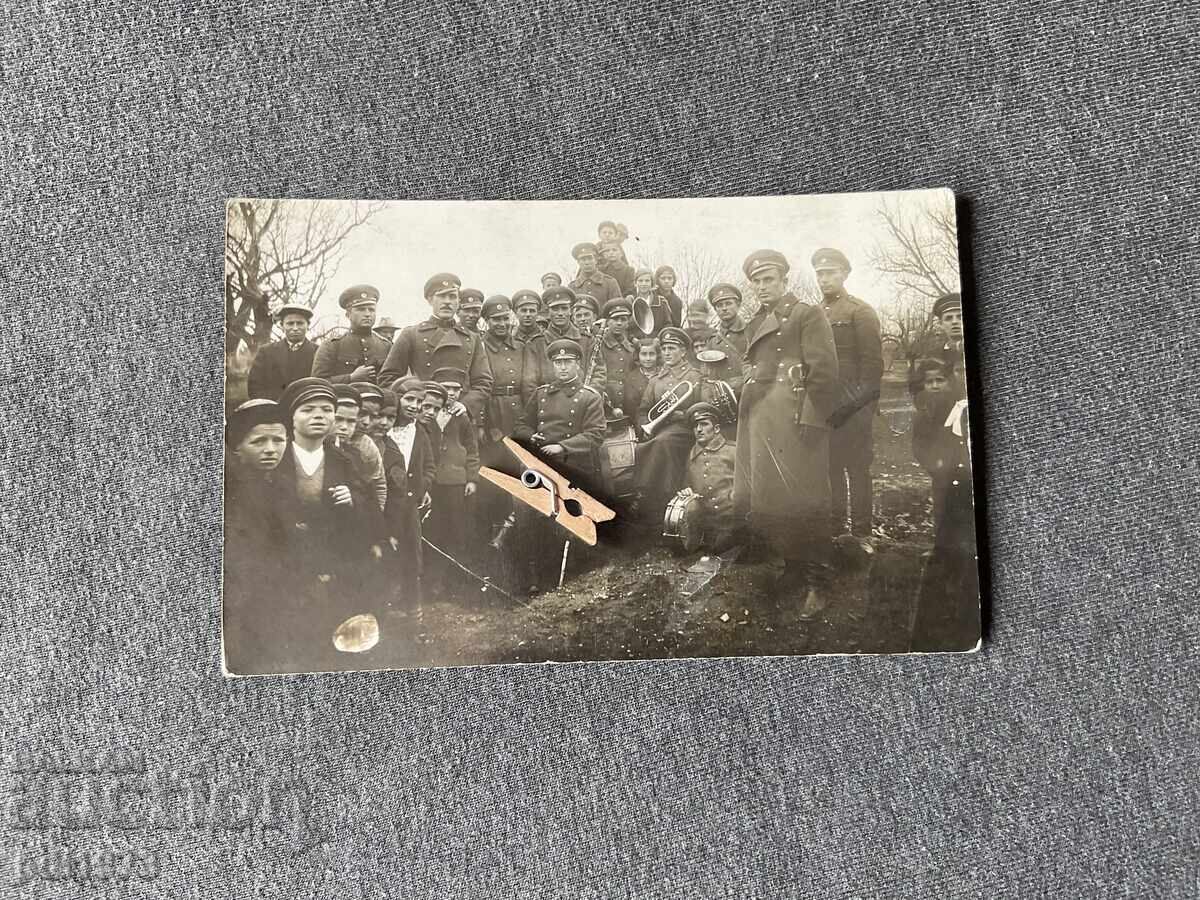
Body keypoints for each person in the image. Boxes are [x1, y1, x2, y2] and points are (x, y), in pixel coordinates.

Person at [733, 249, 839, 616]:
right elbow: (754, 369)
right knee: (775, 499)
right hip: (763, 418)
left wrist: (811, 420)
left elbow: (824, 372)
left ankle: (819, 582)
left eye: (769, 279)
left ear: (784, 281)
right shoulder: (755, 322)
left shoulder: (805, 315)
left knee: (809, 499)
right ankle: (792, 567)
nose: (762, 287)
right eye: (757, 281)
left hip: (796, 420)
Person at [271, 377, 386, 666]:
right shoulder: (275, 458)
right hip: (288, 563)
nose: (319, 416)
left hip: (336, 563)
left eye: (326, 409)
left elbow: (372, 509)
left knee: (336, 641)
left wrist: (354, 501)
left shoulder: (344, 460)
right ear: (291, 417)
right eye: (308, 410)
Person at [512, 339, 607, 593]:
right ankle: (531, 576)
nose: (563, 367)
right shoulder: (540, 394)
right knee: (524, 510)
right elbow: (521, 425)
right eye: (558, 362)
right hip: (540, 465)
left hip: (573, 464)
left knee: (562, 518)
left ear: (578, 364)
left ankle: (564, 576)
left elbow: (596, 435)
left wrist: (562, 447)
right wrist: (531, 437)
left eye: (568, 362)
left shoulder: (589, 397)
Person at [813, 247, 884, 546]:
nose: (824, 279)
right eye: (820, 273)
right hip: (824, 406)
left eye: (830, 273)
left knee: (857, 469)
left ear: (844, 274)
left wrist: (855, 407)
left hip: (855, 407)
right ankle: (836, 530)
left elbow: (873, 368)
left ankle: (863, 533)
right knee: (830, 469)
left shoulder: (860, 311)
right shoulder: (815, 313)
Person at [909, 357, 977, 650]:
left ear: (950, 381)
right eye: (929, 381)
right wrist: (934, 466)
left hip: (963, 478)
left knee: (965, 528)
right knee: (943, 523)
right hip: (942, 477)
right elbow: (919, 446)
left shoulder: (959, 407)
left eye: (940, 380)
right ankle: (947, 574)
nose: (935, 386)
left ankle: (965, 581)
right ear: (921, 385)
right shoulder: (922, 413)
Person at [222, 399, 290, 673]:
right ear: (236, 447)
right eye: (259, 441)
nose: (271, 450)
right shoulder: (231, 487)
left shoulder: (279, 483)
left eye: (278, 440)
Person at [379, 272, 494, 421]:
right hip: (421, 417)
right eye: (441, 296)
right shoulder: (411, 334)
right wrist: (411, 406)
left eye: (452, 297)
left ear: (459, 301)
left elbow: (484, 382)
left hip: (459, 418)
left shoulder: (472, 339)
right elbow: (388, 379)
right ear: (429, 300)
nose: (447, 302)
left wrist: (466, 405)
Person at [478, 296, 537, 534]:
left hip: (519, 412)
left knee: (522, 467)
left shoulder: (521, 347)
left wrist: (531, 418)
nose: (501, 323)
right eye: (495, 319)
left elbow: (529, 385)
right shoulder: (480, 346)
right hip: (493, 412)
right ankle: (496, 526)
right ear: (486, 321)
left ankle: (521, 524)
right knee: (497, 470)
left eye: (505, 318)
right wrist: (482, 422)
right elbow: (479, 384)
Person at [420, 371, 480, 596]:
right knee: (432, 529)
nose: (452, 393)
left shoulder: (462, 416)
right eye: (447, 388)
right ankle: (429, 580)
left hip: (456, 480)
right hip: (432, 481)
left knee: (456, 529)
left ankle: (453, 580)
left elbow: (472, 448)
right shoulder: (426, 413)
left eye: (456, 389)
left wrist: (472, 478)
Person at [380, 377, 436, 611]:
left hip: (409, 503)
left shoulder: (419, 432)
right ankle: (384, 602)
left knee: (411, 552)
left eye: (419, 401)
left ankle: (412, 606)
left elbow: (430, 467)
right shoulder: (383, 428)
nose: (414, 405)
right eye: (409, 399)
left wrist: (422, 488)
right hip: (383, 502)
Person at [634, 327, 701, 520]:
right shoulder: (656, 380)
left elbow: (701, 408)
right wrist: (645, 426)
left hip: (684, 429)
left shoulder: (694, 377)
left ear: (683, 351)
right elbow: (643, 409)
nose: (667, 353)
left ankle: (656, 494)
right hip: (658, 429)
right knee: (642, 446)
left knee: (664, 442)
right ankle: (647, 494)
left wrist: (680, 414)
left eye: (672, 348)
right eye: (664, 349)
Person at [682, 402, 738, 552]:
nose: (699, 430)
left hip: (733, 520)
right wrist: (685, 491)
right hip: (707, 522)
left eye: (704, 424)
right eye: (695, 426)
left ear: (717, 428)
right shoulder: (691, 456)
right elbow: (686, 484)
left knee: (724, 545)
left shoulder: (733, 451)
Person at [311, 285, 392, 384]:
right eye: (361, 309)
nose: (367, 314)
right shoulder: (332, 345)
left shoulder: (386, 346)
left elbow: (395, 381)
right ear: (348, 315)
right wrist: (350, 378)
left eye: (371, 310)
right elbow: (317, 382)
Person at [330, 384, 387, 511]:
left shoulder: (366, 446)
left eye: (351, 421)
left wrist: (376, 514)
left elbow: (377, 484)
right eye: (338, 419)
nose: (366, 422)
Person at [248, 303, 318, 401]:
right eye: (290, 323)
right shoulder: (266, 352)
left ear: (308, 325)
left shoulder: (318, 352)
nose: (295, 328)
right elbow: (254, 388)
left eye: (300, 323)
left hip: (307, 408)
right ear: (282, 325)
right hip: (274, 410)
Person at [595, 297, 637, 417]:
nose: (619, 323)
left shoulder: (632, 347)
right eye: (615, 319)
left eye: (623, 319)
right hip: (604, 402)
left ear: (628, 323)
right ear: (607, 321)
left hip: (627, 402)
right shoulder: (598, 344)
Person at [707, 282, 751, 362]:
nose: (724, 308)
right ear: (715, 310)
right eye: (719, 305)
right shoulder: (713, 341)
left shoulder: (751, 331)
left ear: (738, 305)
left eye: (728, 303)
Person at [624, 337, 661, 422]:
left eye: (652, 354)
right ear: (637, 355)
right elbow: (631, 407)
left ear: (657, 355)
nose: (648, 358)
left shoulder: (664, 374)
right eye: (644, 354)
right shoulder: (631, 378)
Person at [652, 265, 685, 331]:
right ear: (657, 280)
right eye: (663, 278)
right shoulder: (651, 295)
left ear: (674, 280)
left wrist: (667, 308)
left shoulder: (677, 302)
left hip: (667, 333)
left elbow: (676, 325)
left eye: (669, 278)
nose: (666, 281)